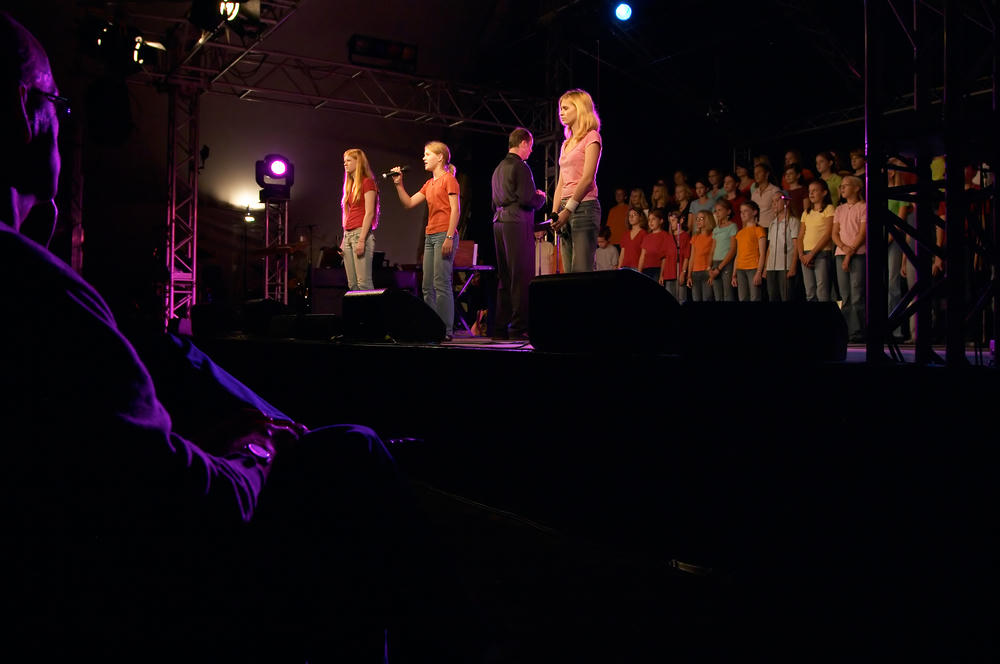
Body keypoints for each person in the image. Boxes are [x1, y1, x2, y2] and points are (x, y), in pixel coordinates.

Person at [0, 12, 485, 662]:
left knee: (169, 351)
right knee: (354, 451)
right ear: (24, 117)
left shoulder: (40, 287)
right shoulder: (40, 298)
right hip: (147, 588)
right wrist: (258, 450)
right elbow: (191, 504)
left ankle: (302, 433)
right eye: (55, 108)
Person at [391, 141, 461, 339]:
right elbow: (409, 203)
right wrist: (399, 184)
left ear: (440, 157)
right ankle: (431, 327)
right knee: (426, 285)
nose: (423, 158)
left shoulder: (449, 180)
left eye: (427, 154)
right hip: (430, 236)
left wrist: (449, 236)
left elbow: (456, 210)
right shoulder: (429, 184)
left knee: (441, 283)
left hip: (444, 234)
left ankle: (445, 330)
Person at [490, 127, 547, 340]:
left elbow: (494, 201)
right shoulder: (520, 166)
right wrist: (540, 197)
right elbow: (526, 198)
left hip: (498, 222)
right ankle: (518, 328)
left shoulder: (498, 168)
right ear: (523, 143)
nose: (531, 151)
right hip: (516, 222)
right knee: (521, 276)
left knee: (505, 277)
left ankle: (500, 328)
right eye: (530, 146)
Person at [552, 88, 602, 273]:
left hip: (584, 206)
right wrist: (555, 213)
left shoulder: (592, 137)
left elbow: (588, 178)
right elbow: (561, 183)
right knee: (568, 273)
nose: (561, 112)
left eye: (566, 108)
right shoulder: (566, 144)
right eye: (560, 108)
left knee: (581, 270)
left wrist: (568, 210)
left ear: (579, 108)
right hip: (565, 208)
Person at [832, 175, 867, 342]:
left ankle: (858, 331)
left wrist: (849, 253)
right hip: (841, 253)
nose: (842, 188)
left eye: (846, 185)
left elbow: (862, 233)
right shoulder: (839, 209)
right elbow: (834, 233)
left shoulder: (863, 207)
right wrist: (843, 247)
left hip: (857, 254)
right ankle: (845, 331)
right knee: (845, 295)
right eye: (841, 186)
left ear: (857, 188)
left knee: (857, 294)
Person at [340, 148, 378, 290]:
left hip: (360, 234)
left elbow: (370, 213)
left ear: (358, 162)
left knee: (363, 283)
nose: (345, 164)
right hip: (349, 235)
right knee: (353, 284)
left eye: (349, 161)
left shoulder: (367, 182)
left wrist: (362, 240)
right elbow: (347, 215)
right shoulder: (350, 186)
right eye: (344, 161)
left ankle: (369, 306)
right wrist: (344, 240)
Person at [797, 179, 835, 302]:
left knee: (822, 290)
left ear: (824, 192)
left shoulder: (829, 208)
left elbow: (828, 234)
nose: (811, 193)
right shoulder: (806, 212)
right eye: (809, 191)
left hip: (821, 253)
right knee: (810, 291)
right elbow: (800, 235)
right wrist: (801, 255)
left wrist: (812, 254)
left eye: (814, 191)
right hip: (805, 254)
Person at [764, 194, 801, 302]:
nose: (774, 203)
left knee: (786, 296)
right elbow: (770, 248)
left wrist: (793, 266)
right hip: (771, 267)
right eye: (772, 201)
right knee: (772, 297)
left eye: (777, 200)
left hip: (785, 266)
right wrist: (766, 267)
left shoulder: (792, 221)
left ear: (786, 202)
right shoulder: (772, 224)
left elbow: (796, 245)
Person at [731, 201, 767, 301]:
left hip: (753, 268)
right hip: (740, 269)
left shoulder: (759, 230)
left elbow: (762, 254)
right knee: (742, 298)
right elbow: (738, 255)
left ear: (754, 212)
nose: (742, 214)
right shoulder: (740, 233)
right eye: (741, 211)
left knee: (755, 297)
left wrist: (759, 272)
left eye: (745, 211)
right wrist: (734, 274)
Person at [637, 208, 675, 292]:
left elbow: (665, 257)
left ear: (661, 221)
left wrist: (662, 274)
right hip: (646, 270)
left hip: (657, 270)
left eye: (653, 219)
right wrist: (639, 273)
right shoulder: (647, 237)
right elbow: (642, 257)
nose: (650, 222)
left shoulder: (665, 236)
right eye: (649, 220)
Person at [710, 200, 738, 301]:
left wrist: (719, 268)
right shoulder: (716, 229)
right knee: (718, 295)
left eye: (720, 210)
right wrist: (710, 267)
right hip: (715, 263)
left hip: (726, 263)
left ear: (728, 211)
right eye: (716, 211)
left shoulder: (732, 226)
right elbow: (712, 250)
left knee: (727, 294)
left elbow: (733, 249)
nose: (717, 213)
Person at [686, 209, 716, 301]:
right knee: (696, 299)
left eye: (701, 218)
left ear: (708, 220)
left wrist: (712, 274)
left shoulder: (713, 236)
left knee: (707, 298)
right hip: (695, 273)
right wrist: (689, 275)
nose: (698, 221)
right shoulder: (695, 237)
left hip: (707, 272)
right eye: (697, 219)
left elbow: (713, 255)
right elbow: (692, 257)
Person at [617, 206, 647, 270]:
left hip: (636, 268)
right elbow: (622, 255)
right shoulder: (625, 234)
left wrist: (639, 270)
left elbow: (643, 255)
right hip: (624, 267)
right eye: (629, 215)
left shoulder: (644, 234)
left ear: (640, 217)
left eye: (634, 215)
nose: (631, 217)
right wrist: (619, 268)